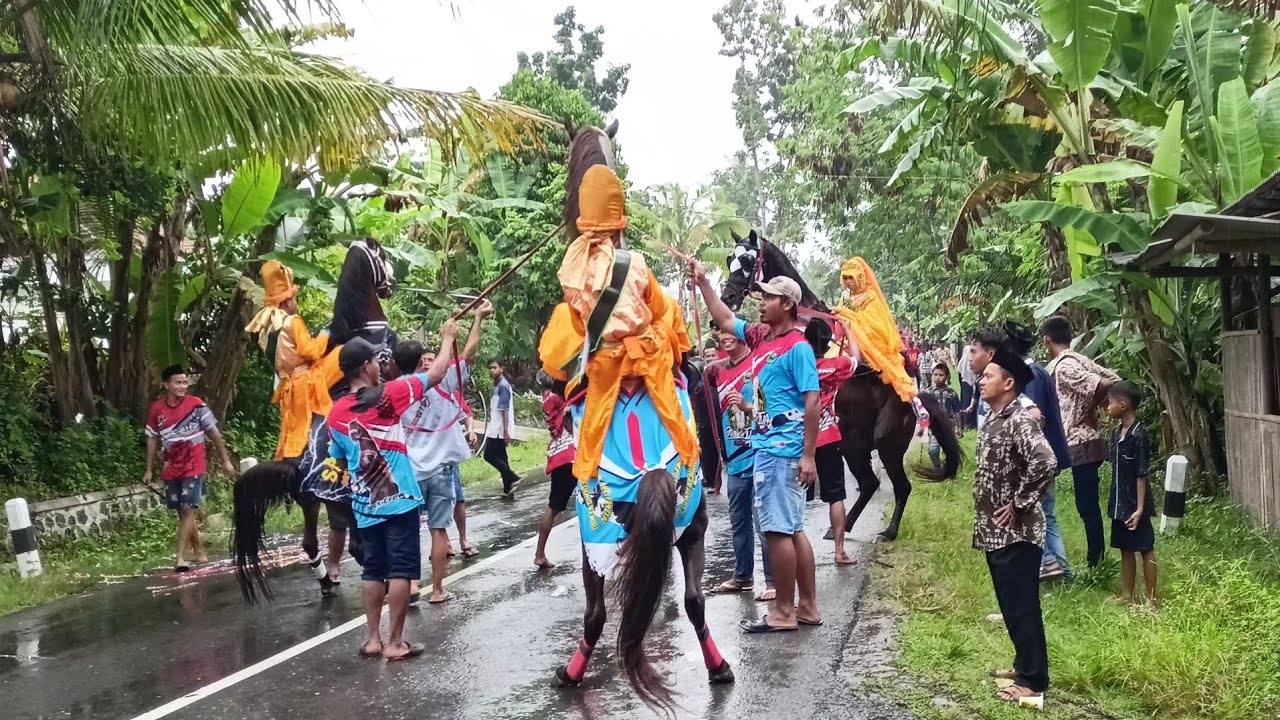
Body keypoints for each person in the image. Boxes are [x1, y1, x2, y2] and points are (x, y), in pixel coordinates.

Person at [694, 264, 821, 634]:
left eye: (768, 298)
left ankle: (783, 611)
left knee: (778, 531)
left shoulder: (797, 347)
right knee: (794, 528)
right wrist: (703, 283)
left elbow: (812, 401)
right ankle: (807, 607)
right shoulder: (762, 337)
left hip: (781, 449)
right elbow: (725, 316)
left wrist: (808, 454)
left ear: (787, 304)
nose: (762, 303)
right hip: (774, 446)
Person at [328, 326, 457, 661]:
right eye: (374, 359)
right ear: (365, 367)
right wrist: (447, 338)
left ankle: (372, 639)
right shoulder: (391, 394)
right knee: (401, 570)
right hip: (400, 502)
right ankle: (396, 642)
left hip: (364, 504)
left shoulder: (336, 413)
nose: (378, 364)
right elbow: (438, 372)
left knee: (373, 571)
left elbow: (340, 460)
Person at [974, 347, 1056, 707]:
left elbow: (1045, 460)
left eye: (988, 375)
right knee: (1010, 603)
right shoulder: (996, 418)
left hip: (1017, 533)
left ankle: (1034, 680)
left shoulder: (1019, 420)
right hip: (995, 532)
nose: (981, 379)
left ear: (1008, 383)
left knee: (1022, 605)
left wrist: (1020, 503)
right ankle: (1023, 665)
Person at [394, 302, 491, 605]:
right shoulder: (442, 379)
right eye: (424, 358)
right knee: (438, 531)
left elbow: (467, 353)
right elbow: (471, 350)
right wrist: (476, 320)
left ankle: (411, 584)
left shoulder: (396, 388)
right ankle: (437, 589)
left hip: (410, 471)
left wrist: (472, 320)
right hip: (439, 472)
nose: (429, 363)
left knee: (410, 531)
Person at [1041, 315, 1122, 569]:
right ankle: (1095, 558)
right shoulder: (1080, 359)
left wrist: (1088, 404)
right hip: (1088, 441)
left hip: (1080, 441)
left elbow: (1106, 383)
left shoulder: (1064, 367)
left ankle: (1095, 561)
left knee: (1086, 506)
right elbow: (1116, 379)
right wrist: (1093, 402)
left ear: (1047, 340)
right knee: (1087, 504)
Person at [144, 365, 236, 573]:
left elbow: (214, 433)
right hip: (170, 468)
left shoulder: (196, 405)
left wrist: (226, 460)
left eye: (185, 382)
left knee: (187, 509)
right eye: (178, 382)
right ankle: (199, 550)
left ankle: (180, 558)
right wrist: (149, 469)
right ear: (166, 385)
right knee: (182, 512)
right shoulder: (157, 410)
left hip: (194, 465)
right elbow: (152, 439)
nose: (182, 386)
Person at [709, 326, 775, 600]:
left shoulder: (760, 363)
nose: (725, 337)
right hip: (734, 461)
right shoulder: (717, 371)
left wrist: (748, 406)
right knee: (739, 522)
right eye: (722, 333)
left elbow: (771, 408)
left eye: (730, 332)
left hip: (760, 456)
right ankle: (743, 576)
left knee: (764, 524)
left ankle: (773, 581)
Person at [832, 257, 928, 424]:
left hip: (871, 339)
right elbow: (841, 314)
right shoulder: (845, 296)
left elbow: (874, 323)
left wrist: (847, 315)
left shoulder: (870, 296)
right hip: (847, 339)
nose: (848, 282)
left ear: (860, 277)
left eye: (851, 278)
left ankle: (911, 403)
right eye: (845, 278)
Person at [805, 319, 857, 565]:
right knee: (835, 496)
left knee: (795, 500)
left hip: (800, 439)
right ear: (827, 345)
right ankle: (839, 551)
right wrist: (847, 331)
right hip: (828, 436)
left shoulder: (797, 365)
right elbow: (856, 358)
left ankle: (797, 554)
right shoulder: (835, 365)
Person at [1105, 381, 1157, 604]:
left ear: (1123, 405)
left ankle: (1151, 598)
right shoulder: (1117, 433)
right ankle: (1127, 594)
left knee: (1145, 547)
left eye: (1110, 403)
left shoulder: (1139, 436)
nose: (1107, 407)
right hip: (1119, 501)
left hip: (1136, 504)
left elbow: (1141, 474)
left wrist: (1140, 509)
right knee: (1125, 548)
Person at [534, 371, 577, 570]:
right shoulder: (560, 399)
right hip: (570, 454)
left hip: (559, 454)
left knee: (553, 506)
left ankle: (539, 553)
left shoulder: (547, 399)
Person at [483, 359, 522, 496]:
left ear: (502, 369)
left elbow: (504, 410)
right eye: (490, 368)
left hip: (499, 429)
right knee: (501, 457)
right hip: (496, 427)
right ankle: (508, 488)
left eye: (494, 367)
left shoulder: (503, 386)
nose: (492, 370)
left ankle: (512, 477)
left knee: (488, 455)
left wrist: (505, 431)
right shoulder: (498, 385)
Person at [918, 364, 961, 470]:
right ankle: (937, 467)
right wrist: (922, 427)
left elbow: (957, 411)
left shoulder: (951, 394)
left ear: (947, 377)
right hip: (934, 425)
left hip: (949, 425)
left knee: (950, 448)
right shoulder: (928, 393)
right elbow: (922, 412)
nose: (937, 377)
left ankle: (949, 468)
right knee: (933, 450)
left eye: (941, 375)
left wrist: (959, 427)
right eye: (935, 374)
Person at [958, 342, 979, 431]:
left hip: (968, 383)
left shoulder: (964, 363)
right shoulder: (964, 364)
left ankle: (971, 423)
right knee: (966, 402)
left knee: (972, 401)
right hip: (966, 382)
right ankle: (967, 423)